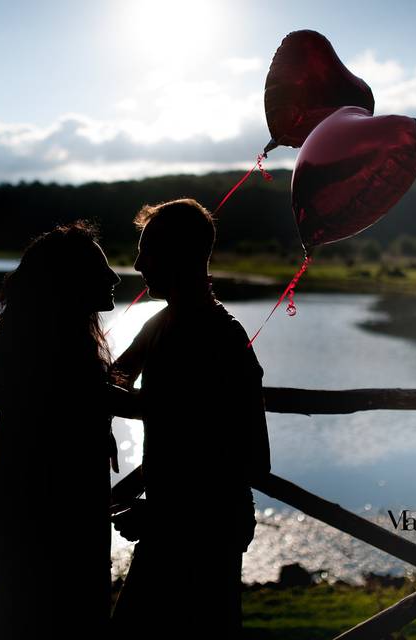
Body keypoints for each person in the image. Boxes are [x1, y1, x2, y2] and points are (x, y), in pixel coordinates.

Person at [109, 199, 272, 638]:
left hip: (205, 532)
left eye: (149, 250)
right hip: (174, 525)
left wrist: (160, 516)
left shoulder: (221, 336)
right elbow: (114, 381)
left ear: (180, 255)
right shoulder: (160, 324)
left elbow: (251, 458)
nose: (139, 263)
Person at [0, 220, 126, 639]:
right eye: (101, 269)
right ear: (71, 283)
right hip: (59, 521)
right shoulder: (63, 358)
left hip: (28, 511)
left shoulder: (46, 346)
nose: (115, 276)